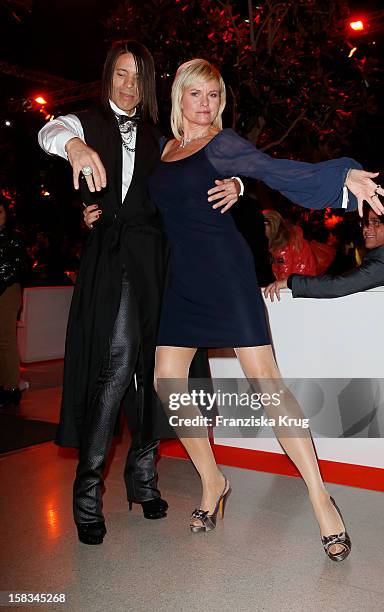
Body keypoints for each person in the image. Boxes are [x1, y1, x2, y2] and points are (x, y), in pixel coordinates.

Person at [148, 58, 384, 562]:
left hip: (225, 271)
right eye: (197, 94)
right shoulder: (164, 149)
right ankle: (212, 481)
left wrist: (345, 177)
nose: (207, 105)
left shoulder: (224, 144)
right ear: (179, 98)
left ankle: (321, 497)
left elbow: (276, 170)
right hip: (183, 280)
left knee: (265, 382)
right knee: (166, 381)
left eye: (215, 96)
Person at [38, 41, 241, 545]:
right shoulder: (85, 123)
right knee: (115, 363)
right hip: (111, 261)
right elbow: (49, 129)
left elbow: (206, 161)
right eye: (121, 74)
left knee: (157, 370)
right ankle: (87, 493)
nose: (129, 86)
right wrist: (76, 148)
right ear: (107, 75)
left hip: (160, 262)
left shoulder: (160, 138)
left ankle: (142, 478)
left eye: (138, 78)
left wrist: (236, 181)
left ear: (149, 85)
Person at [266, 200, 384, 300]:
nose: (366, 228)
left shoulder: (383, 262)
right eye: (364, 223)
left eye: (376, 222)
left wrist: (291, 282)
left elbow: (337, 285)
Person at [0, 200, 25, 409]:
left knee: (6, 340)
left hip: (8, 291)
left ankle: (11, 388)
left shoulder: (13, 238)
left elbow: (13, 268)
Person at [263, 209, 318, 279]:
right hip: (305, 281)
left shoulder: (281, 246)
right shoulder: (292, 237)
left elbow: (284, 275)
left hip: (295, 286)